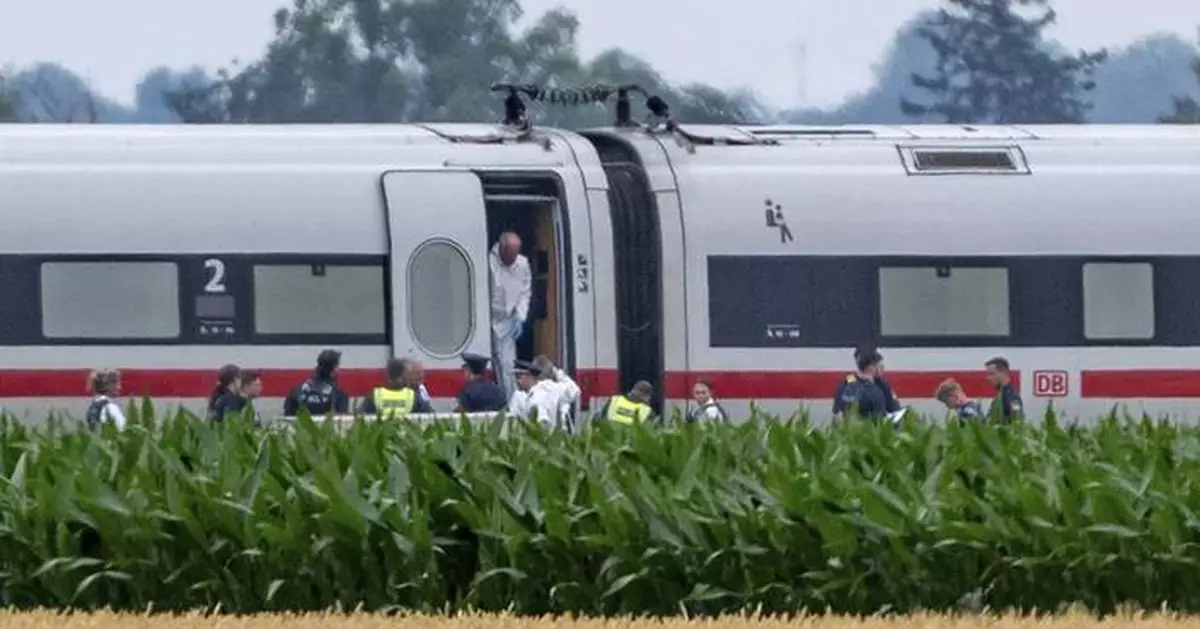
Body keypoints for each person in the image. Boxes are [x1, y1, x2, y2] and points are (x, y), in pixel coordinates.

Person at [489, 231, 532, 400]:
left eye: (515, 255)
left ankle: (510, 403)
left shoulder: (523, 264)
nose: (512, 260)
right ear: (501, 249)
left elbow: (525, 292)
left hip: (509, 321)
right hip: (489, 317)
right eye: (509, 255)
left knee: (507, 365)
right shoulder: (489, 262)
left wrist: (520, 317)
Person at [506, 356, 580, 431]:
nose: (516, 381)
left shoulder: (542, 394)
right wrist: (556, 371)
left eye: (519, 377)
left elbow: (542, 425)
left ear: (530, 376)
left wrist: (555, 372)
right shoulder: (518, 395)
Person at [359, 357, 434, 418]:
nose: (421, 376)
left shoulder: (375, 394)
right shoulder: (412, 395)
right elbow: (431, 417)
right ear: (403, 374)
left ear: (387, 374)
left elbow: (360, 417)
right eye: (417, 373)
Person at [832, 347, 894, 421]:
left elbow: (894, 408)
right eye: (880, 366)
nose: (883, 368)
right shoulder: (875, 391)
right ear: (870, 367)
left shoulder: (882, 385)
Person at [284, 349, 350, 417]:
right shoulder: (338, 394)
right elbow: (341, 419)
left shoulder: (296, 390)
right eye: (337, 367)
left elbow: (287, 417)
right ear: (334, 369)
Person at [985, 357, 1024, 422]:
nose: (988, 378)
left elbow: (1017, 419)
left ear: (1003, 372)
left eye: (991, 374)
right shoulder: (1000, 395)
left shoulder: (1013, 397)